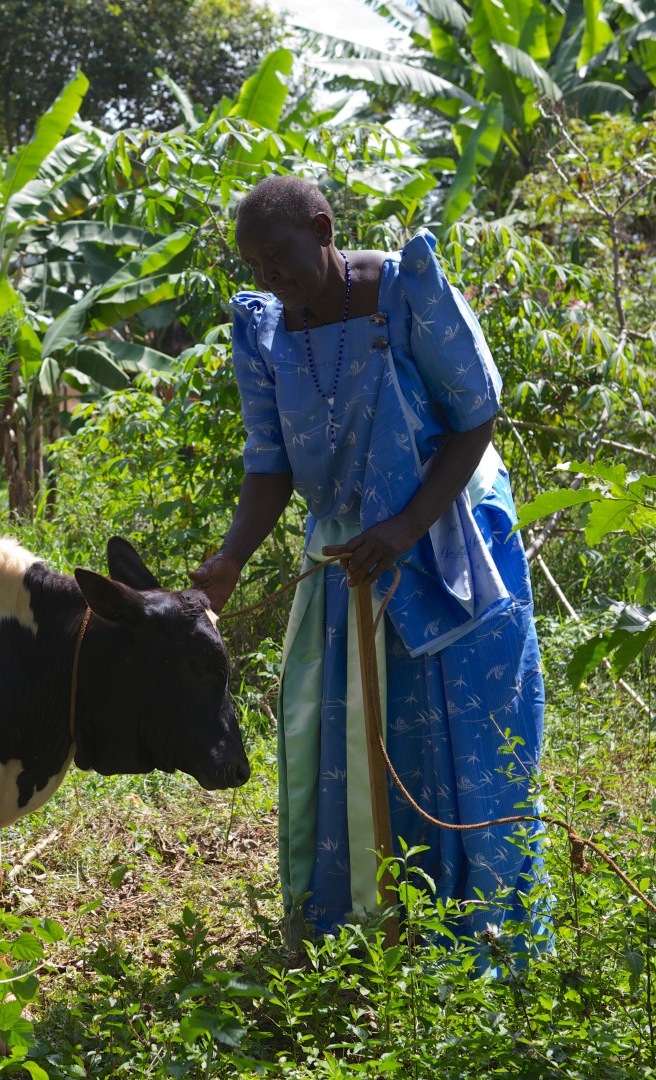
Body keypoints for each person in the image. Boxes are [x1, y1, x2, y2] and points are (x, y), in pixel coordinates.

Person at [189, 176, 548, 954]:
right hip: (351, 552)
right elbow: (270, 462)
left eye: (279, 257)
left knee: (462, 738)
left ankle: (478, 931)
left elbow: (476, 415)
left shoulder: (405, 290)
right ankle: (367, 926)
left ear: (323, 229)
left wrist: (407, 524)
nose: (269, 279)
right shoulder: (263, 331)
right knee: (357, 737)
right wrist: (231, 559)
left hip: (449, 540)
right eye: (255, 266)